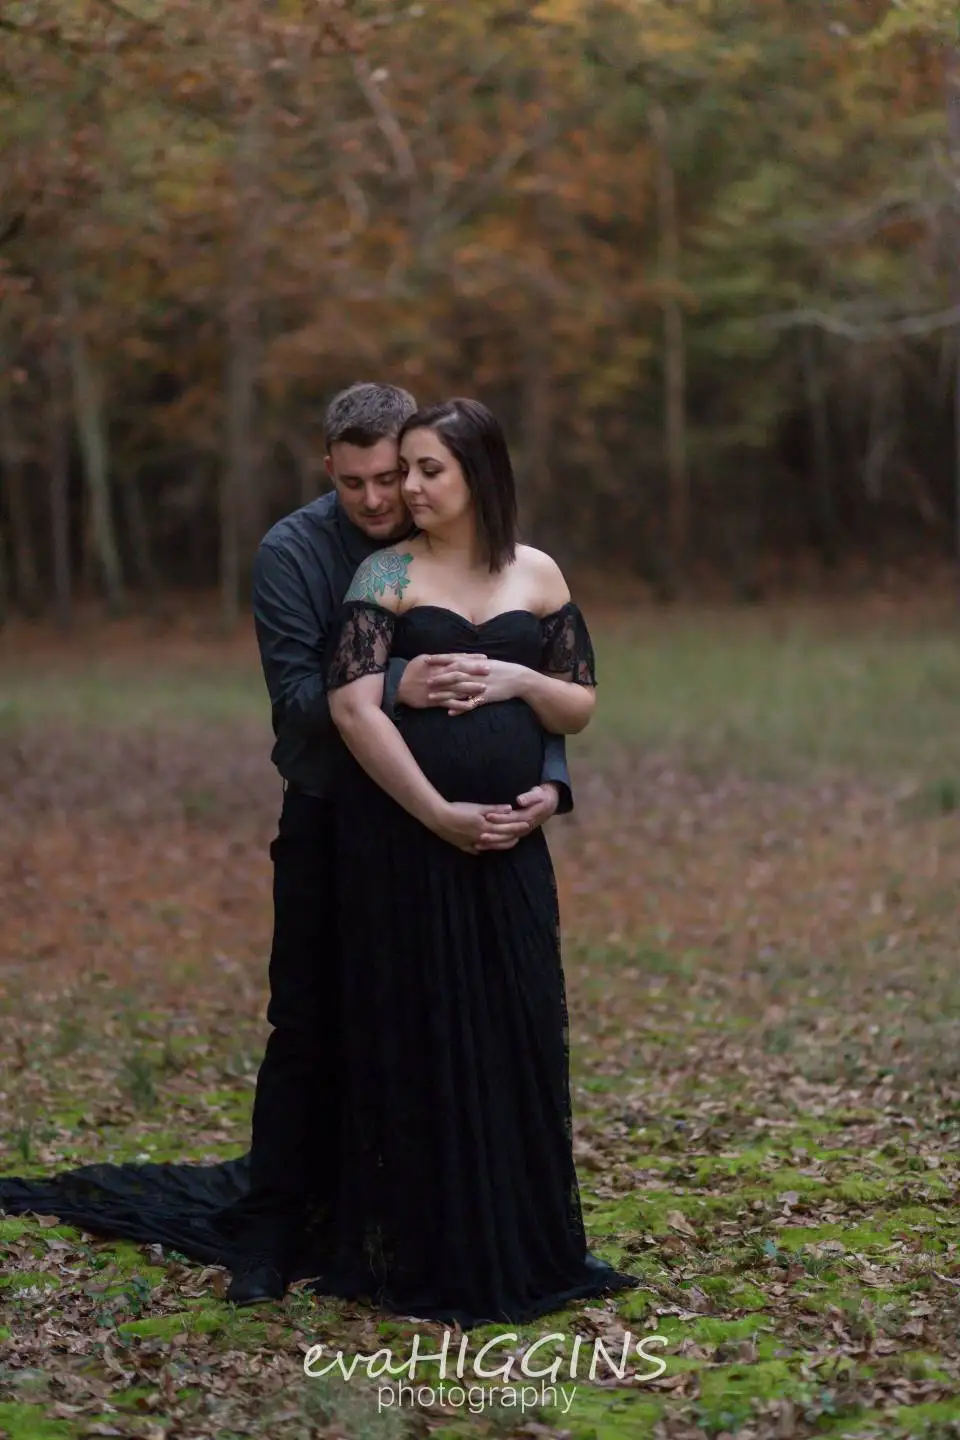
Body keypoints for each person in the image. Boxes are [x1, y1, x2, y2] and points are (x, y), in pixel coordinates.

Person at [0, 384, 576, 1314]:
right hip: (330, 817)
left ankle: (415, 1214)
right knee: (308, 1023)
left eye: (395, 476)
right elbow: (303, 702)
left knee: (426, 1023)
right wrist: (403, 686)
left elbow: (540, 674)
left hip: (441, 837)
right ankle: (269, 1233)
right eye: (357, 485)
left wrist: (548, 776)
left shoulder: (467, 538)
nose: (381, 500)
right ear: (328, 472)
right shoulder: (296, 552)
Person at [307, 396, 638, 1324]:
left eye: (426, 470)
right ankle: (431, 1253)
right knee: (424, 1033)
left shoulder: (538, 573)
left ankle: (528, 1242)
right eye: (400, 470)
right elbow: (351, 709)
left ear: (479, 474)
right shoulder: (385, 572)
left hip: (512, 849)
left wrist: (524, 692)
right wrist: (438, 813)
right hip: (410, 844)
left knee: (518, 1027)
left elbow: (577, 704)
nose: (405, 487)